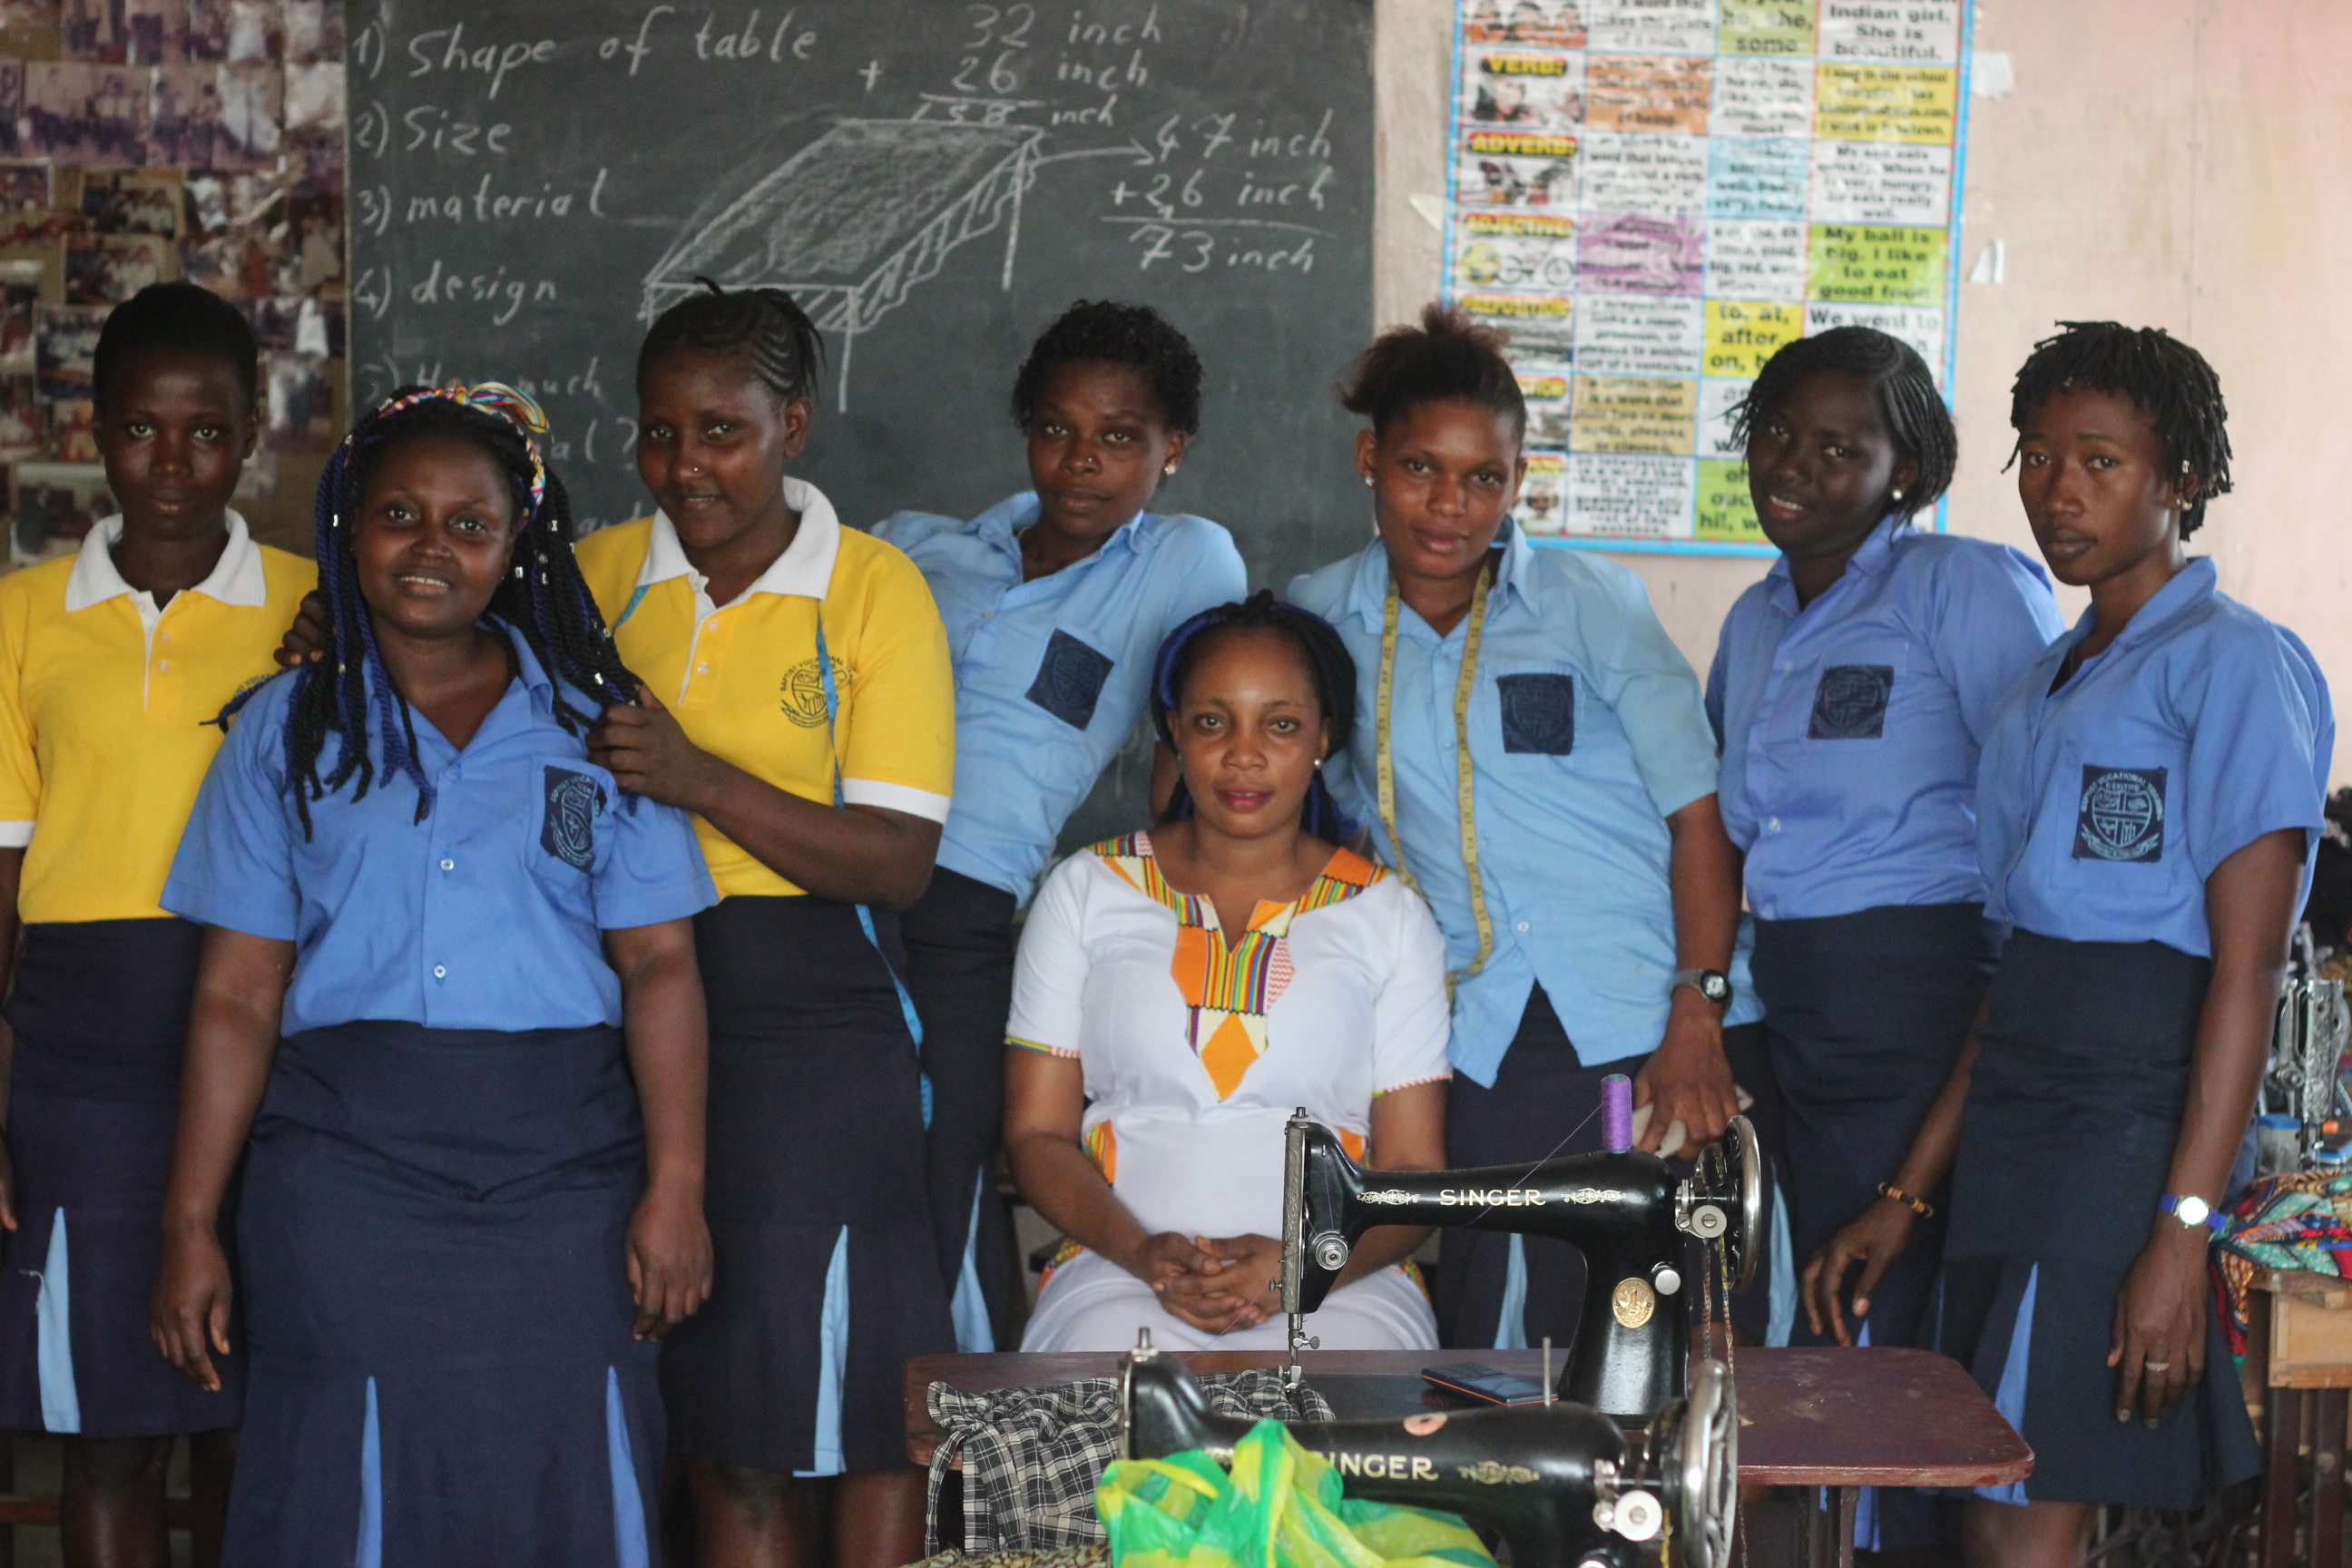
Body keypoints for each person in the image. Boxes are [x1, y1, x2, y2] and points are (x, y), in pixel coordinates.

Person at [149, 384, 718, 1564]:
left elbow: (661, 964)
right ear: (351, 524)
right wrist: (191, 1221)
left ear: (519, 546)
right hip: (346, 1186)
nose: (432, 547)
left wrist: (677, 1185)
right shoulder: (285, 730)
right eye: (401, 513)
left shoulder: (597, 727)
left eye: (471, 523)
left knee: (571, 1450)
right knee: (346, 1473)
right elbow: (237, 996)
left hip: (566, 1186)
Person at [1859, 323, 2329, 1567]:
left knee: (2023, 1501)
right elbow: (2018, 974)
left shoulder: (2238, 666)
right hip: (2021, 1112)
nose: (2057, 489)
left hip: (2128, 1117)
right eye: (2037, 455)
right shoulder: (2042, 689)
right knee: (1996, 1488)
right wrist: (1912, 1191)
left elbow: (2245, 969)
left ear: (2179, 480)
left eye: (2101, 461)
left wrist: (2182, 1228)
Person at [1286, 304, 1773, 1354]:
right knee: (1500, 1335)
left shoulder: (1590, 604)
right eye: (1420, 469)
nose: (1451, 506)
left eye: (1484, 479)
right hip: (1481, 1031)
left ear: (1518, 481)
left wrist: (1699, 1010)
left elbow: (1699, 816)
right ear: (1370, 460)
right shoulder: (1317, 622)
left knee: (1670, 1328)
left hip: (1650, 1012)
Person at [573, 282, 956, 1568]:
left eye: (722, 432)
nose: (687, 467)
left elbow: (898, 862)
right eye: (660, 434)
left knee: (855, 1410)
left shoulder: (871, 589)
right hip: (623, 1002)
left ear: (793, 425)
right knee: (724, 1423)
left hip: (816, 1026)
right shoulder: (596, 578)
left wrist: (702, 780)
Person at [1713, 327, 2063, 1554]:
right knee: (1796, 1329)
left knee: (1874, 1329)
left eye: (1836, 447)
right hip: (1783, 1002)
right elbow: (1741, 834)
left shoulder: (1961, 590)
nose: (1792, 466)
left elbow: (2038, 798)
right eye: (1774, 435)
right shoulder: (1753, 621)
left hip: (1914, 992)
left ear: (1905, 473)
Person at [0, 282, 308, 1568]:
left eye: (205, 433)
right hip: (80, 1054)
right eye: (140, 430)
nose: (171, 464)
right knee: (111, 1426)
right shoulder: (22, 617)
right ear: (96, 427)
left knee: (262, 1418)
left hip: (280, 1045)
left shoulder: (315, 603)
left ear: (252, 437)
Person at [873, 301, 1246, 1350]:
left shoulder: (1182, 561)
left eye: (1121, 436)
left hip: (966, 908)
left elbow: (1198, 732)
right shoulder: (913, 549)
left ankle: (945, 1464)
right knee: (840, 1183)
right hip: (833, 883)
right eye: (1056, 428)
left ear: (1175, 449)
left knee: (941, 1180)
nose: (1082, 462)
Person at [1004, 593, 1449, 1350]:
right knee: (1106, 1432)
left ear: (1322, 737)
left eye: (1280, 724)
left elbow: (1413, 1170)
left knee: (1345, 1446)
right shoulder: (1087, 890)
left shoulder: (1389, 915)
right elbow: (1037, 1134)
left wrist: (1299, 1269)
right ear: (1175, 732)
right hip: (1123, 1271)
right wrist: (1146, 1254)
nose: (1244, 755)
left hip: (1340, 1281)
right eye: (1213, 722)